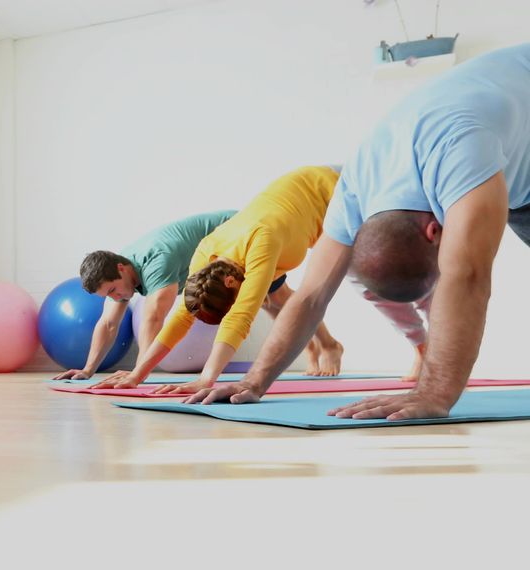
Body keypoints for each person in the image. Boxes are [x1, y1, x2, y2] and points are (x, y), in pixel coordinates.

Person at [185, 43, 530, 420]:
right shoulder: (355, 189)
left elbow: (466, 275)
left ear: (434, 232)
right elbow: (311, 297)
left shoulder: (461, 152)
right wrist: (254, 381)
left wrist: (433, 393)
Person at [92, 166, 345, 393]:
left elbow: (241, 316)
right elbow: (180, 318)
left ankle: (329, 346)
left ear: (231, 283)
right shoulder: (205, 251)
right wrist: (138, 375)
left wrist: (206, 379)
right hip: (298, 205)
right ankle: (325, 345)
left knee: (349, 272)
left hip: (330, 189)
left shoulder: (261, 244)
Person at [52, 211, 235, 380]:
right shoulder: (119, 271)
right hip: (224, 250)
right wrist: (87, 370)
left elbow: (154, 317)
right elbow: (108, 324)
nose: (115, 298)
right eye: (109, 295)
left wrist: (138, 372)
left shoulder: (157, 262)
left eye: (112, 291)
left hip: (238, 231)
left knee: (257, 298)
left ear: (121, 269)